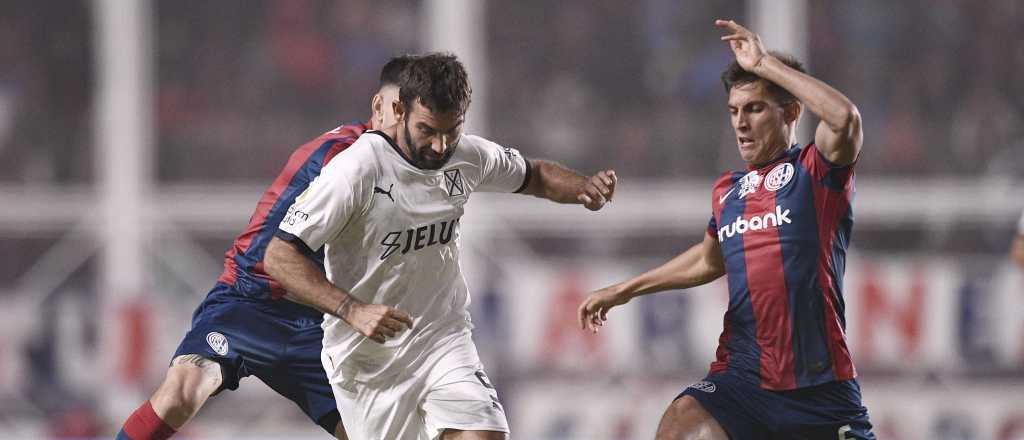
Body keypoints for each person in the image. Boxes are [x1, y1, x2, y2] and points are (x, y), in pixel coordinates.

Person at [263, 52, 617, 440]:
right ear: (399, 110)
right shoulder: (355, 171)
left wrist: (583, 187)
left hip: (442, 338)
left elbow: (534, 175)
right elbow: (280, 256)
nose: (440, 145)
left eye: (452, 130)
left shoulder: (466, 156)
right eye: (427, 130)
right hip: (366, 358)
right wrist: (352, 310)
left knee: (485, 433)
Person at [577, 20, 874, 440]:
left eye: (754, 108)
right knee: (681, 421)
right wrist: (625, 290)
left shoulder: (814, 172)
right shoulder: (728, 191)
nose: (741, 123)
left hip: (820, 388)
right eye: (734, 111)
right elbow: (708, 258)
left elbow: (845, 118)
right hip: (743, 378)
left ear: (790, 111)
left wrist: (766, 64)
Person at [116, 55, 419, 440]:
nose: (404, 132)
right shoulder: (339, 158)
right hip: (250, 303)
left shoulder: (413, 175)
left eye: (413, 123)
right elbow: (277, 258)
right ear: (378, 107)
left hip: (318, 325)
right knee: (181, 395)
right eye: (396, 114)